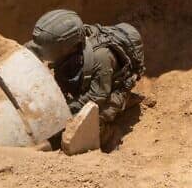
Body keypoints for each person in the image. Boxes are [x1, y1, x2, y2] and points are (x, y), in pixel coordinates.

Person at [26, 9, 144, 146]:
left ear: (66, 46)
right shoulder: (68, 48)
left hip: (110, 90)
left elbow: (97, 96)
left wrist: (66, 110)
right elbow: (31, 51)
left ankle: (109, 135)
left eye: (51, 49)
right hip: (89, 82)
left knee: (85, 123)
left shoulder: (101, 56)